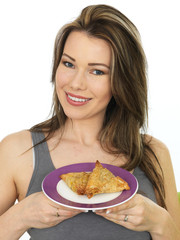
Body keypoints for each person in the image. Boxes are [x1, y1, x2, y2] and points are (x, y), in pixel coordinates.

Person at [0, 4, 179, 240]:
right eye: (69, 64)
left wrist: (160, 222)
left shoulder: (153, 153)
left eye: (97, 71)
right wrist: (20, 215)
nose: (75, 83)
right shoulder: (18, 151)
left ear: (121, 82)